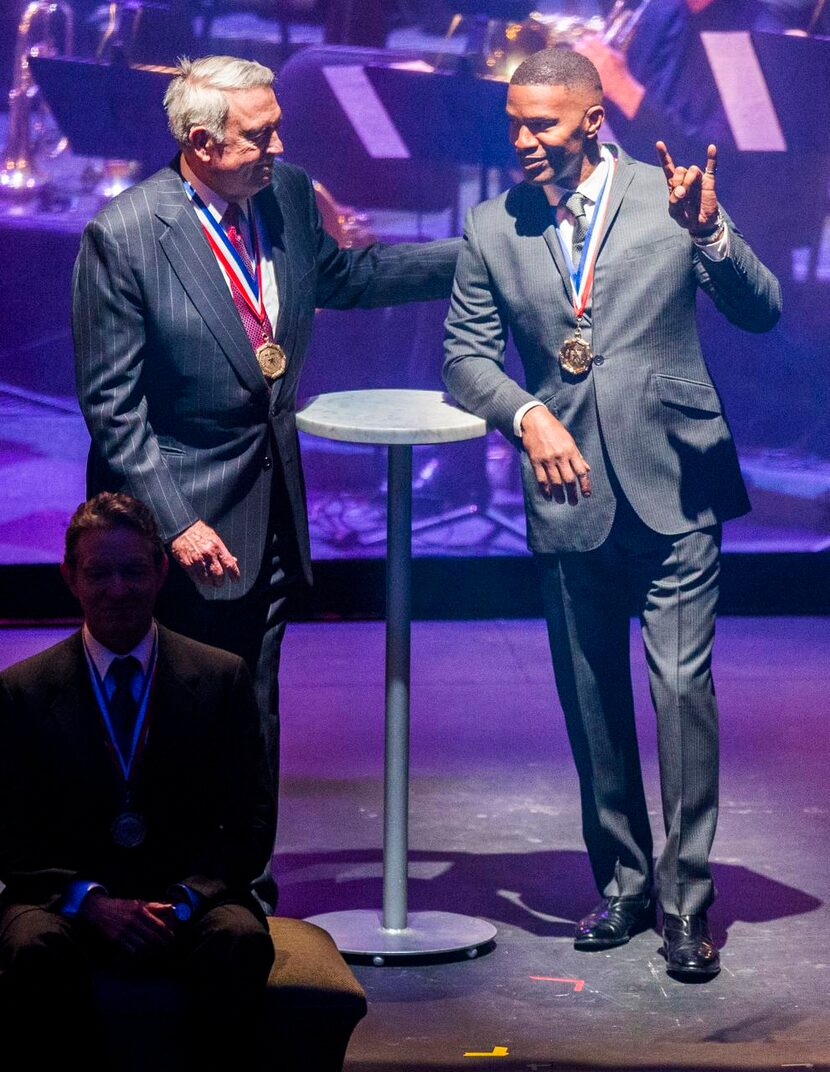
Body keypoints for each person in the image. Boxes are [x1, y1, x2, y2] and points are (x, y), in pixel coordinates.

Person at [71, 55, 460, 910]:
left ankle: (241, 882)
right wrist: (175, 522)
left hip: (269, 503)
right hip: (173, 527)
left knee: (252, 703)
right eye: (261, 134)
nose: (279, 146)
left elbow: (347, 278)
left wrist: (476, 258)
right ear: (202, 143)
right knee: (174, 711)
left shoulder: (282, 195)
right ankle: (156, 885)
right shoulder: (126, 234)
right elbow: (114, 410)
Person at [442, 47, 781, 979]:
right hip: (567, 492)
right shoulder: (490, 225)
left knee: (680, 696)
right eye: (513, 123)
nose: (523, 141)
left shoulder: (670, 195)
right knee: (591, 702)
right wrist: (525, 412)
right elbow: (466, 358)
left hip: (675, 479)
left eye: (542, 125)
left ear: (592, 119)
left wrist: (710, 236)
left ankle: (686, 905)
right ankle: (626, 884)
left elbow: (762, 308)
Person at [0, 492, 275, 1069]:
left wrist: (181, 902)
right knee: (29, 944)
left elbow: (250, 823)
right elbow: (9, 835)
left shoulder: (221, 677)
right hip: (68, 902)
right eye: (98, 573)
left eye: (132, 571)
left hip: (186, 901)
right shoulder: (21, 691)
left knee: (240, 938)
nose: (117, 589)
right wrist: (92, 903)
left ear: (160, 572)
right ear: (69, 577)